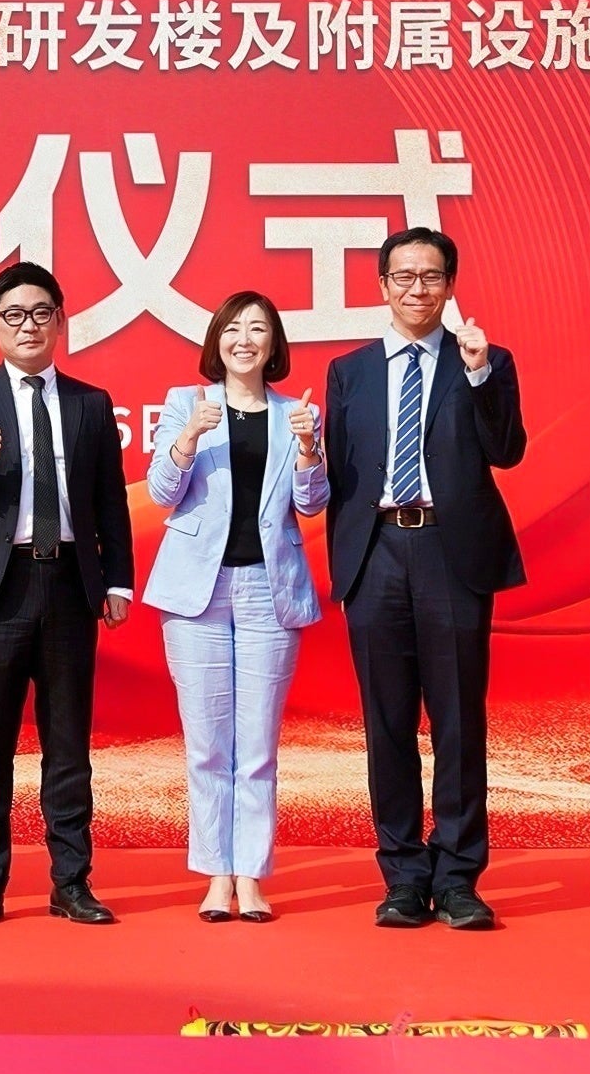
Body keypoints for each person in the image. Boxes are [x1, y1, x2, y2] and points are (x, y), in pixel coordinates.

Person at [320, 227, 525, 931]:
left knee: (459, 722)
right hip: (377, 553)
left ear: (449, 285)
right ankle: (404, 877)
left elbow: (507, 450)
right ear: (382, 286)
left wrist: (479, 374)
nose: (417, 288)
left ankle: (459, 877)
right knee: (387, 724)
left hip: (450, 552)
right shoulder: (349, 372)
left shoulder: (484, 360)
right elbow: (339, 475)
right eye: (403, 276)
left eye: (430, 276)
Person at [0, 262, 135, 927]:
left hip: (70, 583)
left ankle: (71, 882)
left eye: (42, 313)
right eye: (14, 315)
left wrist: (118, 580)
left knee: (68, 745)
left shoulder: (90, 403)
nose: (29, 326)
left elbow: (110, 501)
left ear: (60, 322)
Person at [143, 293, 327, 923]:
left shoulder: (298, 413)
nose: (244, 339)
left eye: (258, 329)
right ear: (216, 340)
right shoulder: (184, 404)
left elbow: (311, 504)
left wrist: (309, 451)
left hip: (268, 591)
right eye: (233, 328)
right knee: (207, 744)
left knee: (258, 745)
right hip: (198, 590)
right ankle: (216, 875)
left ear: (273, 345)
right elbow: (163, 492)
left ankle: (250, 875)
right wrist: (189, 436)